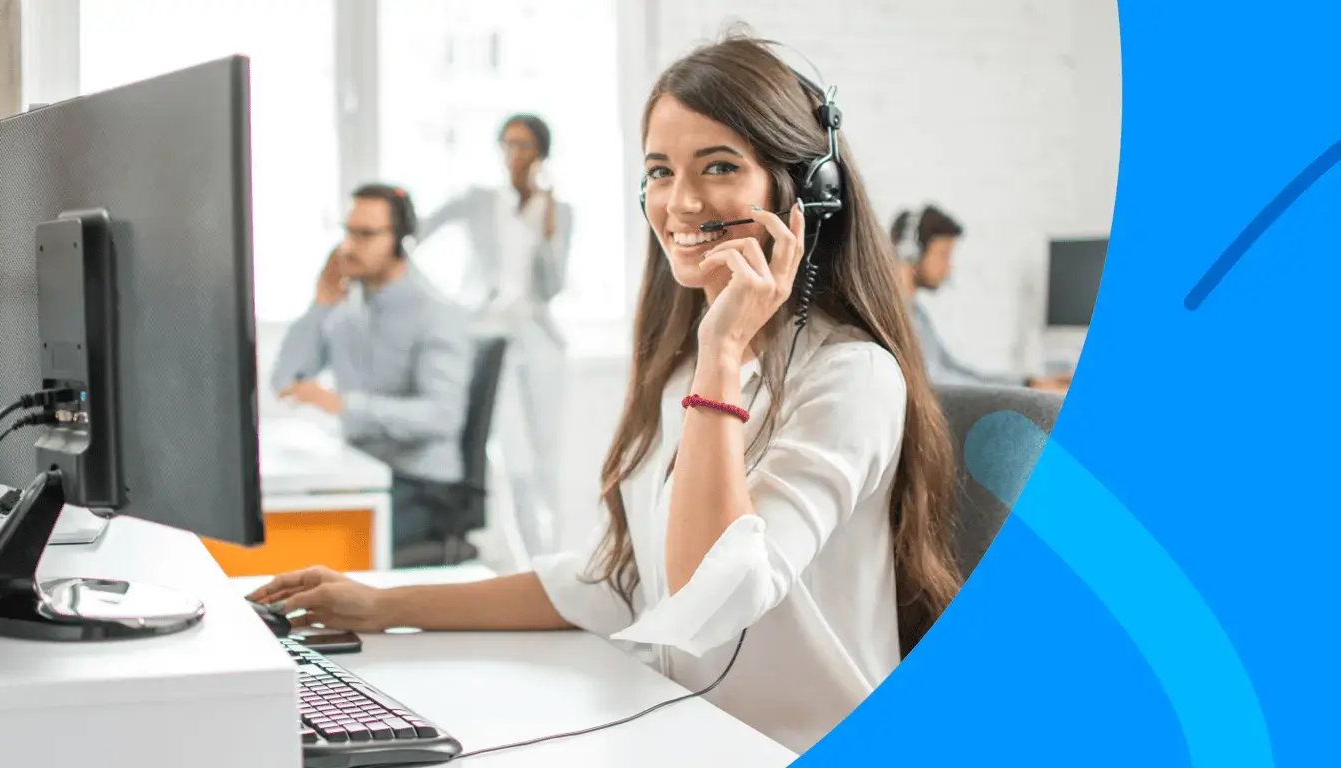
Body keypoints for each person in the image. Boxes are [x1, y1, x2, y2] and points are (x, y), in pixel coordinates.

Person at [250, 36, 961, 753]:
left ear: (808, 190)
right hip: (689, 729)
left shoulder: (851, 376)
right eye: (659, 171)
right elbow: (621, 581)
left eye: (718, 166)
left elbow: (705, 596)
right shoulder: (686, 368)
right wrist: (382, 605)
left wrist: (721, 353)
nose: (680, 202)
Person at [272, 183, 475, 557]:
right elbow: (285, 381)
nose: (349, 247)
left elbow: (443, 416)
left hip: (421, 487)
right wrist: (321, 303)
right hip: (359, 473)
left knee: (312, 549)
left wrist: (346, 406)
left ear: (400, 239)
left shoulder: (435, 312)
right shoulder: (346, 307)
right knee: (276, 526)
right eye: (347, 232)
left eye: (365, 234)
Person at [417, 114, 573, 556]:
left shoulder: (559, 211)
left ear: (540, 153)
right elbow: (416, 233)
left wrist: (547, 232)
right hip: (487, 334)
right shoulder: (477, 201)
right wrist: (447, 306)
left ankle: (553, 556)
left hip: (538, 337)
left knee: (546, 452)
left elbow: (554, 284)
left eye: (523, 145)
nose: (513, 155)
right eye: (506, 144)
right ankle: (516, 557)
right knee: (504, 453)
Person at [890, 205, 1070, 392]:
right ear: (910, 252)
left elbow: (957, 372)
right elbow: (937, 382)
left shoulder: (918, 315)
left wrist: (1029, 383)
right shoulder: (896, 316)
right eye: (943, 255)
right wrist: (1027, 392)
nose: (948, 267)